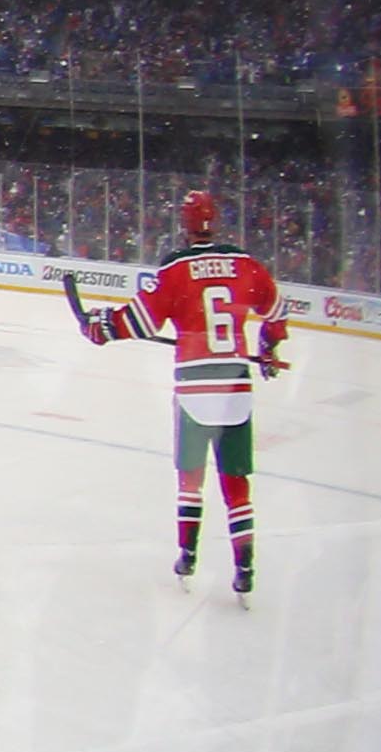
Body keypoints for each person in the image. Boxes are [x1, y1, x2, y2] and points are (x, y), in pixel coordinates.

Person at [76, 187, 288, 595]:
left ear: (185, 224)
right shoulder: (246, 265)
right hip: (235, 389)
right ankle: (245, 565)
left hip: (194, 391)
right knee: (235, 480)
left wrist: (101, 327)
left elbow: (139, 320)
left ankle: (187, 554)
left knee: (191, 479)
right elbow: (277, 312)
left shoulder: (176, 269)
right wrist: (268, 344)